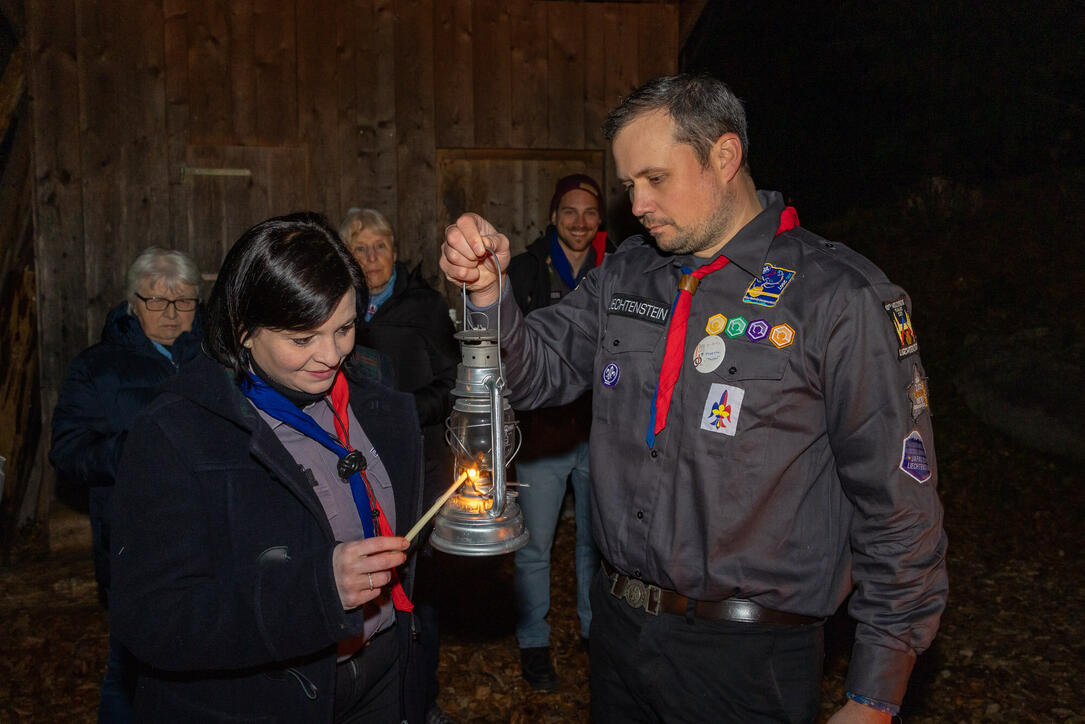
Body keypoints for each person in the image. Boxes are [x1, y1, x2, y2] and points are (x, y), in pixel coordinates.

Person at [439, 74, 947, 723]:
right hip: (621, 634)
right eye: (628, 186)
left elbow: (898, 505)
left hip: (749, 655)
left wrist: (875, 693)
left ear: (724, 156)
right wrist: (488, 294)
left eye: (655, 178)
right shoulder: (627, 272)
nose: (638, 203)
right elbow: (536, 370)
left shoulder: (835, 298)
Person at [109, 213, 425, 723]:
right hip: (263, 700)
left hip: (381, 677)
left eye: (344, 328)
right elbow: (154, 618)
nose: (330, 355)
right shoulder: (177, 431)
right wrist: (316, 591)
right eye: (302, 339)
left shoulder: (371, 398)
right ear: (243, 331)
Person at [50, 247, 204, 723]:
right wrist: (139, 450)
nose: (172, 314)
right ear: (133, 303)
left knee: (207, 664)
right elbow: (69, 451)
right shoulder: (97, 368)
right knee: (131, 666)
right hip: (136, 542)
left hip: (212, 537)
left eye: (184, 301)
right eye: (158, 301)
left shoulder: (220, 361)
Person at [340, 208, 458, 723]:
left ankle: (419, 701)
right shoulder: (337, 306)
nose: (371, 259)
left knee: (415, 588)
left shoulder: (425, 307)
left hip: (417, 461)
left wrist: (404, 412)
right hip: (351, 467)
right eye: (359, 249)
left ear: (395, 249)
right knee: (359, 585)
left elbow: (454, 383)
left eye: (379, 247)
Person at [506, 174, 611, 690]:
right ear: (552, 216)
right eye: (569, 212)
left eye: (590, 213)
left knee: (598, 542)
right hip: (543, 435)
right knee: (534, 545)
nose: (579, 222)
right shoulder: (525, 270)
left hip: (600, 433)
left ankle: (595, 634)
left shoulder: (615, 272)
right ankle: (534, 644)